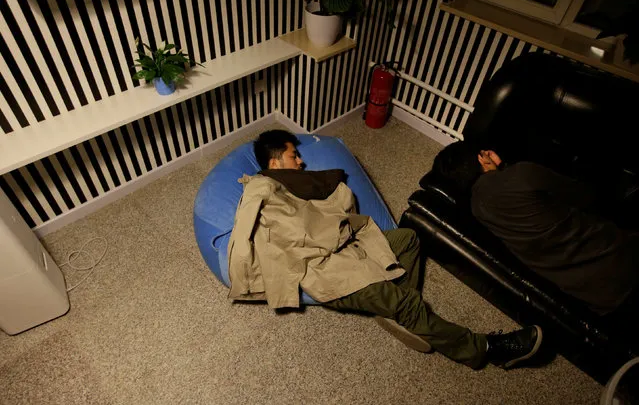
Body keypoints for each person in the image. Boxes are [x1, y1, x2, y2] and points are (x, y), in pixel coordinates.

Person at [227, 129, 543, 370]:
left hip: (346, 248)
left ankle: (397, 311)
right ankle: (486, 349)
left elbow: (333, 208)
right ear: (274, 161)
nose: (301, 161)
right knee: (406, 303)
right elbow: (279, 240)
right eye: (293, 155)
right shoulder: (261, 189)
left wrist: (336, 219)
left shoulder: (296, 184)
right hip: (326, 272)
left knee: (408, 238)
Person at [431, 141, 639, 321]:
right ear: (480, 158)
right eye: (485, 152)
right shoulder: (522, 173)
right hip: (623, 261)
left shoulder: (477, 209)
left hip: (596, 296)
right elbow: (585, 196)